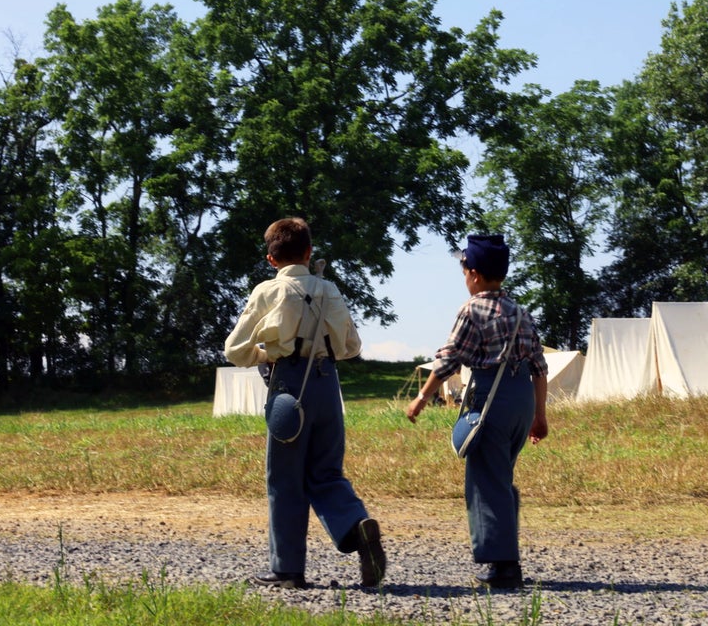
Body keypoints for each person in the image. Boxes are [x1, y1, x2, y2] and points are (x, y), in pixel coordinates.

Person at [225, 217, 386, 590]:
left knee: (284, 479)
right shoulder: (329, 289)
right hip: (328, 385)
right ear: (309, 252)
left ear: (271, 259)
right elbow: (352, 348)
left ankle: (287, 569)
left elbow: (234, 350)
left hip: (288, 385)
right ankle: (353, 524)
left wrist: (266, 355)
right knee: (327, 472)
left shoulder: (266, 292)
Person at [405, 234, 549, 589]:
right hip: (521, 400)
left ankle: (504, 567)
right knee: (500, 477)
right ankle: (505, 556)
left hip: (492, 398)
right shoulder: (520, 311)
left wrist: (422, 398)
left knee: (486, 480)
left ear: (473, 274)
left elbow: (448, 361)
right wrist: (540, 415)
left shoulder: (472, 310)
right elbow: (540, 366)